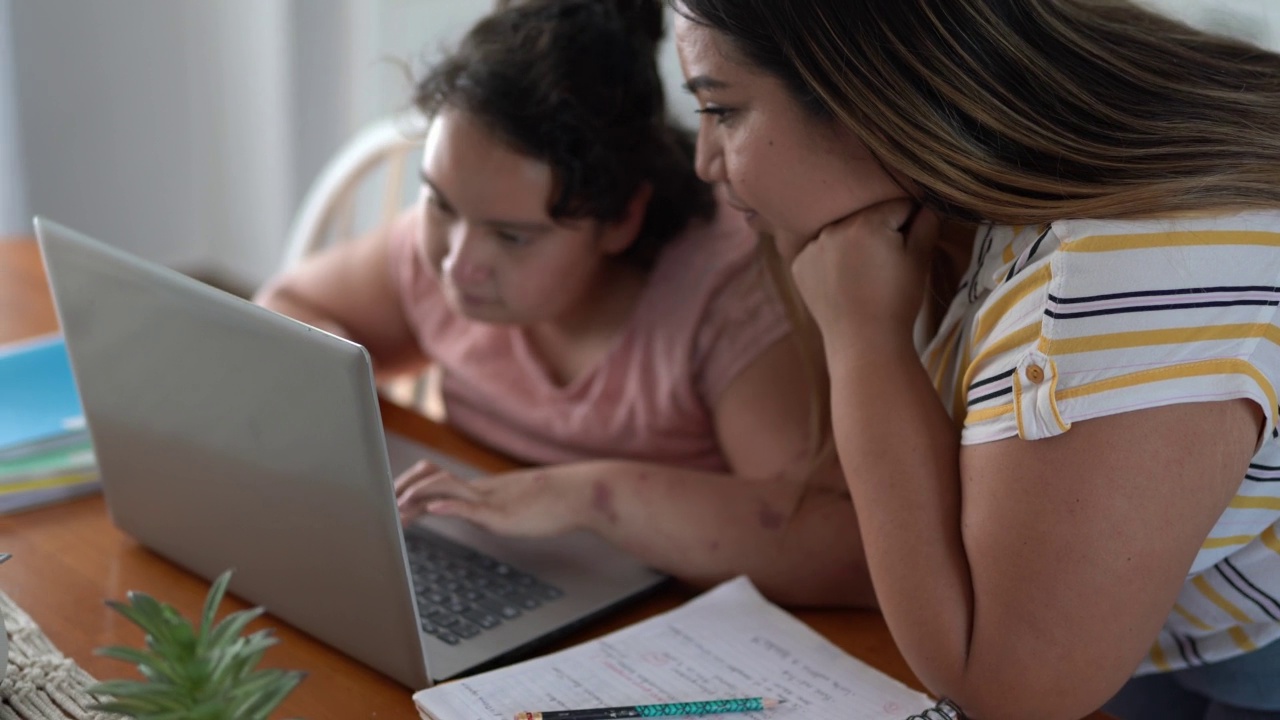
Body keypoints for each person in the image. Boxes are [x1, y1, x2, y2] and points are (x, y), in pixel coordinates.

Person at [669, 0, 1280, 718]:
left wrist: (865, 341)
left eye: (723, 110)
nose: (705, 161)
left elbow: (1004, 687)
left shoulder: (1114, 279)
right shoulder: (966, 207)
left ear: (871, 90)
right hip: (1175, 630)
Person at [255, 0, 873, 607]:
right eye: (440, 202)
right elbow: (287, 305)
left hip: (655, 610)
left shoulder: (725, 296)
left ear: (620, 219)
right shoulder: (448, 240)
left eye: (512, 237)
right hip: (491, 568)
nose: (454, 263)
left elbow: (837, 544)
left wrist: (588, 496)